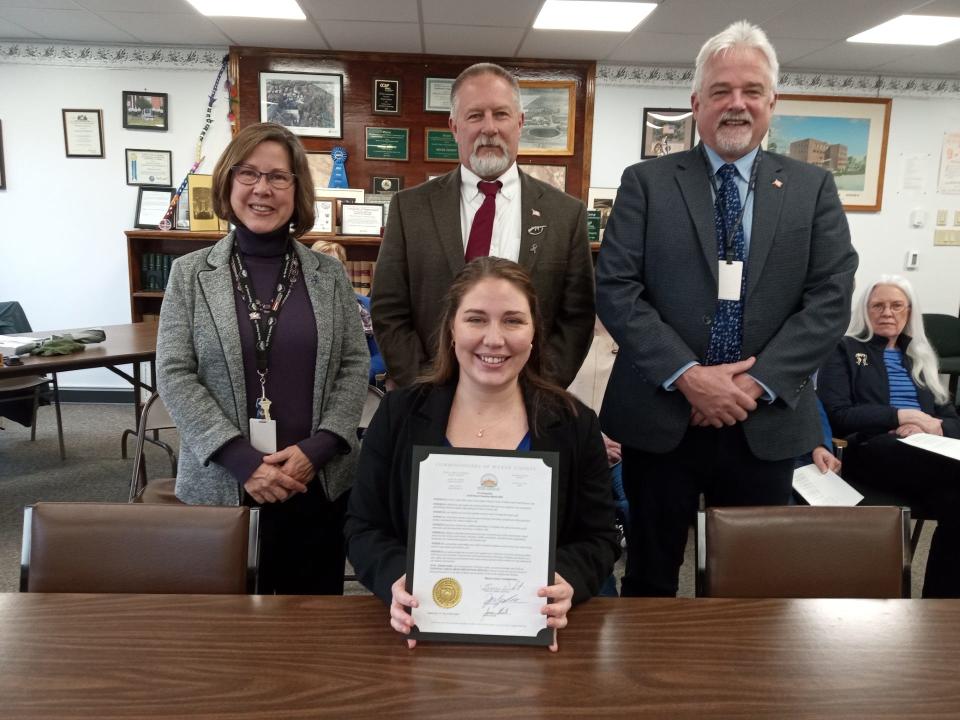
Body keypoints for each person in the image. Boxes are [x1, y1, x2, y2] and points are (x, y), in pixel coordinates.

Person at [594, 21, 858, 597]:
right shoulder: (647, 183)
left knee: (752, 582)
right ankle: (647, 685)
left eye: (751, 90)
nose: (736, 104)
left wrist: (754, 384)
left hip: (764, 421)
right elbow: (616, 287)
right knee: (650, 575)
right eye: (720, 91)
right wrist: (689, 377)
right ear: (696, 103)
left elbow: (831, 297)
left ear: (771, 102)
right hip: (660, 418)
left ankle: (739, 687)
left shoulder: (814, 188)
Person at [346, 257, 619, 650]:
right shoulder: (399, 414)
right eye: (476, 319)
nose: (494, 339)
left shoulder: (575, 423)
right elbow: (363, 527)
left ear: (533, 332)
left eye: (513, 320)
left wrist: (567, 580)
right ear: (452, 329)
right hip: (421, 628)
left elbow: (599, 537)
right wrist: (396, 578)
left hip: (539, 631)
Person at [157, 122, 369, 595]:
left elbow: (355, 365)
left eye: (278, 177)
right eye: (248, 174)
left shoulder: (328, 273)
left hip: (314, 480)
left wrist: (320, 448)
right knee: (223, 636)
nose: (262, 189)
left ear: (297, 190)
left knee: (309, 632)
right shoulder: (190, 275)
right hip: (223, 481)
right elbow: (173, 372)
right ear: (228, 182)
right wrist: (241, 459)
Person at [371, 62, 594, 389]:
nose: (489, 128)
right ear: (454, 126)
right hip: (428, 400)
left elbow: (576, 320)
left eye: (501, 114)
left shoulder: (566, 215)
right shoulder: (410, 208)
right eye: (475, 115)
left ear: (520, 123)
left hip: (530, 405)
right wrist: (424, 387)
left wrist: (536, 392)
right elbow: (388, 311)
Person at [818, 275, 960, 597]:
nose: (887, 313)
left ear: (909, 312)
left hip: (928, 455)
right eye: (878, 305)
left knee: (957, 503)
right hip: (870, 450)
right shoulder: (844, 349)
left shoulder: (921, 356)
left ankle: (940, 606)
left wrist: (933, 427)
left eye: (897, 306)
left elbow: (950, 418)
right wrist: (900, 416)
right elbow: (838, 414)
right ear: (864, 311)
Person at [311, 239, 386, 387]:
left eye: (335, 265)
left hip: (359, 388)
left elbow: (381, 355)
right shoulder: (299, 307)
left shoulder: (366, 306)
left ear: (344, 269)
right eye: (321, 266)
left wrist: (351, 381)